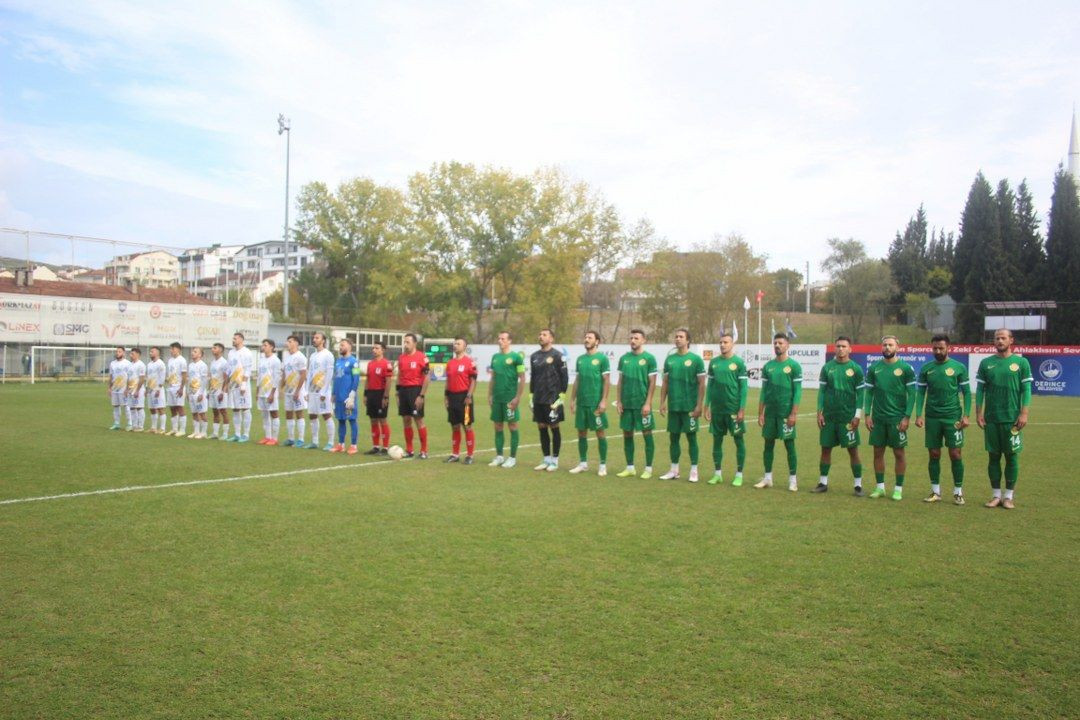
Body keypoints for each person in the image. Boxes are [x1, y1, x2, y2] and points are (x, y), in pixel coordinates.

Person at [976, 328, 1032, 510]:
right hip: (992, 418)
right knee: (993, 457)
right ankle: (995, 496)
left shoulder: (1021, 362)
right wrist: (979, 413)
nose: (999, 341)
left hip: (1012, 420)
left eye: (1003, 338)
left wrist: (1024, 413)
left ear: (1011, 340)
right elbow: (980, 391)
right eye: (997, 338)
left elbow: (1026, 390)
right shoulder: (986, 363)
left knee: (1011, 457)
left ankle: (1008, 497)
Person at [915, 334, 971, 504]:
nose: (937, 351)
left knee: (955, 453)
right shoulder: (926, 368)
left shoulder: (959, 367)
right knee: (934, 453)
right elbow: (920, 393)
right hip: (932, 417)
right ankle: (935, 491)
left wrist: (966, 415)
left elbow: (967, 392)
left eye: (941, 348)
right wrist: (918, 414)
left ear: (949, 348)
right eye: (935, 348)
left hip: (952, 417)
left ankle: (958, 492)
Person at [863, 335, 917, 500]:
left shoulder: (906, 368)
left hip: (897, 419)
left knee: (899, 453)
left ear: (897, 347)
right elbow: (869, 392)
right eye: (885, 345)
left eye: (890, 345)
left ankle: (898, 489)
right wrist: (867, 414)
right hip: (878, 418)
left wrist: (907, 417)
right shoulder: (874, 368)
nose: (887, 347)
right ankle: (880, 488)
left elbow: (912, 394)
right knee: (877, 452)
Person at [814, 336, 865, 495]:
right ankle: (823, 483)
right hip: (829, 416)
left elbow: (861, 394)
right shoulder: (827, 368)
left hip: (847, 418)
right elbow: (822, 392)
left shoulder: (856, 369)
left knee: (853, 450)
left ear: (850, 349)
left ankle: (858, 485)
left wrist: (857, 415)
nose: (840, 349)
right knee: (826, 449)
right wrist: (819, 412)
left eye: (843, 346)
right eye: (838, 346)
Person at [755, 333, 802, 491]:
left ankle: (793, 480)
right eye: (775, 343)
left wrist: (793, 413)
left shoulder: (794, 366)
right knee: (768, 444)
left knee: (789, 445)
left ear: (787, 346)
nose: (777, 345)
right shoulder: (768, 366)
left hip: (786, 413)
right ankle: (768, 478)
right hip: (770, 413)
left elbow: (797, 392)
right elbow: (764, 391)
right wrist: (761, 413)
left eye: (780, 343)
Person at [659, 328, 706, 482]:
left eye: (681, 337)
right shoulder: (670, 359)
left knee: (691, 438)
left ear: (688, 340)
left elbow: (701, 384)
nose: (677, 339)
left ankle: (694, 471)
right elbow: (665, 382)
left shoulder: (696, 360)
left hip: (690, 407)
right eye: (676, 336)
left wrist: (699, 405)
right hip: (674, 406)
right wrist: (662, 402)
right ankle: (674, 470)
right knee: (673, 438)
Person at [704, 332, 749, 486]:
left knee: (738, 440)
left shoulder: (739, 363)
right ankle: (717, 474)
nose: (722, 345)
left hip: (733, 410)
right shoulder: (714, 363)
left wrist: (741, 409)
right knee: (717, 441)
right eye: (721, 342)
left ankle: (739, 475)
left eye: (726, 342)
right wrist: (706, 406)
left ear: (732, 344)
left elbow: (743, 388)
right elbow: (710, 386)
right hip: (717, 409)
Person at [614, 329, 658, 479]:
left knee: (647, 434)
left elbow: (652, 383)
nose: (633, 340)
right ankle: (630, 467)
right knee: (627, 434)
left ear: (643, 340)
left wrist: (648, 403)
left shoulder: (649, 359)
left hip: (641, 405)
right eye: (631, 338)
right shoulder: (624, 358)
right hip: (627, 404)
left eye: (636, 338)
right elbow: (620, 381)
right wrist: (619, 401)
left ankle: (649, 468)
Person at [567, 331, 611, 476]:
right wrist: (572, 399)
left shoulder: (602, 359)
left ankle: (603, 464)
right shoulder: (580, 359)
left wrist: (603, 400)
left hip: (595, 403)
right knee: (581, 432)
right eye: (585, 337)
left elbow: (606, 380)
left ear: (597, 341)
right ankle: (583, 463)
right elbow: (577, 380)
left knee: (600, 433)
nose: (586, 339)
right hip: (582, 403)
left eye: (589, 338)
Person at [530, 328, 568, 471]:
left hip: (552, 399)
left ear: (551, 339)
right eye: (540, 334)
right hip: (538, 398)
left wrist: (561, 397)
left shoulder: (558, 356)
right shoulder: (534, 356)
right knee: (541, 427)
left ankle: (555, 460)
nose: (541, 336)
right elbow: (533, 377)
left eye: (544, 335)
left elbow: (565, 377)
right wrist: (530, 396)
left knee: (554, 427)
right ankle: (546, 459)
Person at [488, 330, 526, 468]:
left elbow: (522, 378)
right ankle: (499, 456)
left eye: (503, 339)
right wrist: (490, 395)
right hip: (497, 398)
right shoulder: (495, 357)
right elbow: (493, 377)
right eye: (499, 339)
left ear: (509, 341)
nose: (500, 341)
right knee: (497, 426)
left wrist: (517, 397)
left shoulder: (516, 357)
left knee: (512, 426)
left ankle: (512, 458)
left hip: (510, 398)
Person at [396, 333, 431, 459]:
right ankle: (409, 450)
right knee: (406, 420)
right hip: (403, 391)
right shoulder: (401, 358)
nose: (405, 345)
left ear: (415, 343)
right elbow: (399, 375)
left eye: (408, 342)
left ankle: (424, 451)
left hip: (415, 390)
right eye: (404, 342)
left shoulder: (422, 357)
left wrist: (421, 395)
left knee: (418, 419)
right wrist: (397, 393)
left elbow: (427, 377)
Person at [444, 337, 478, 464]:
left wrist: (469, 395)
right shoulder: (450, 363)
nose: (455, 345)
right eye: (455, 343)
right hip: (452, 397)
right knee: (455, 426)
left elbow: (473, 380)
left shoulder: (470, 362)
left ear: (464, 347)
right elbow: (448, 381)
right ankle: (455, 454)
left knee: (467, 426)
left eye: (458, 343)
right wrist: (446, 396)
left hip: (464, 397)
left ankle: (470, 455)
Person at [305, 331, 336, 450]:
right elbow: (310, 373)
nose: (314, 339)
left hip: (323, 391)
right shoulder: (312, 355)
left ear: (323, 341)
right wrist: (306, 390)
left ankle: (330, 442)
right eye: (314, 338)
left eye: (317, 338)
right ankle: (314, 441)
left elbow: (329, 374)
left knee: (326, 415)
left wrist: (324, 391)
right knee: (312, 415)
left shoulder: (328, 355)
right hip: (312, 390)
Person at [330, 338, 360, 454]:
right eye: (340, 345)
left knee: (352, 420)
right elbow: (336, 379)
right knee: (341, 420)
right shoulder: (338, 361)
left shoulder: (354, 361)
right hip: (338, 397)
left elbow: (356, 378)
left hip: (348, 398)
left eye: (342, 345)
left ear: (349, 347)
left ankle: (353, 445)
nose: (340, 347)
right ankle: (340, 445)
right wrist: (333, 394)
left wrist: (352, 394)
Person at [363, 341, 392, 454]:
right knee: (373, 419)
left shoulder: (386, 364)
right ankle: (375, 446)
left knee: (382, 419)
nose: (374, 350)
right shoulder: (370, 364)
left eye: (376, 348)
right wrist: (365, 394)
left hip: (381, 394)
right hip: (371, 394)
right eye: (373, 348)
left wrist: (385, 396)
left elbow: (389, 381)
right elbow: (368, 380)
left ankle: (385, 447)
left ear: (382, 350)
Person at [226, 332, 255, 442]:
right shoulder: (231, 352)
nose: (233, 340)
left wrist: (243, 384)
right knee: (235, 409)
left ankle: (246, 435)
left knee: (245, 408)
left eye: (235, 338)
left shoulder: (246, 352)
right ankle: (237, 434)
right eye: (233, 338)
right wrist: (227, 384)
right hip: (233, 385)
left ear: (241, 340)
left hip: (243, 386)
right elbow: (229, 369)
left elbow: (247, 369)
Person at [281, 335, 307, 447]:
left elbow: (303, 374)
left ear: (296, 343)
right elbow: (284, 374)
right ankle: (291, 439)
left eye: (290, 341)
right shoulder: (287, 357)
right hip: (288, 390)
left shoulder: (300, 357)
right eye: (287, 341)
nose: (288, 343)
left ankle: (300, 440)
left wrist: (298, 391)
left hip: (298, 391)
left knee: (299, 413)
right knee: (288, 413)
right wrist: (281, 388)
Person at [257, 339, 282, 446]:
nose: (263, 347)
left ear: (271, 347)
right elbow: (259, 376)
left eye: (265, 345)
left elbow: (277, 378)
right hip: (262, 391)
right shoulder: (262, 359)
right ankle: (267, 436)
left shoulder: (275, 360)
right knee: (264, 415)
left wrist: (272, 393)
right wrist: (257, 391)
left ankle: (275, 438)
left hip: (270, 392)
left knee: (274, 414)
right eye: (263, 345)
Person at [208, 342, 231, 440]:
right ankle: (215, 433)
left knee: (223, 411)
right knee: (215, 412)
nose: (213, 349)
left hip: (220, 391)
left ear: (220, 350)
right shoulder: (212, 362)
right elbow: (212, 377)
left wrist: (223, 391)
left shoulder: (224, 362)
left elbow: (227, 378)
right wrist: (209, 391)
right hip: (213, 390)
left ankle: (225, 434)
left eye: (215, 348)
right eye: (212, 348)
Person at [165, 342, 188, 437]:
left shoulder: (182, 360)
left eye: (173, 349)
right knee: (172, 408)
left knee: (180, 408)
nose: (171, 351)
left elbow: (184, 376)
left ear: (178, 349)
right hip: (171, 387)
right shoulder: (170, 360)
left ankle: (182, 430)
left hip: (178, 387)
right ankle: (174, 429)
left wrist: (181, 388)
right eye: (170, 349)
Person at [186, 347, 209, 438]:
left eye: (195, 352)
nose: (192, 353)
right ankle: (196, 431)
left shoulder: (203, 365)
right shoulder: (190, 365)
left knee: (202, 412)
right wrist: (188, 391)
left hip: (199, 392)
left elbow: (204, 380)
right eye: (192, 351)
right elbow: (189, 379)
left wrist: (201, 393)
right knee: (194, 412)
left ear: (200, 355)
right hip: (191, 392)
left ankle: (203, 432)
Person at [145, 346, 167, 434]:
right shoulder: (149, 364)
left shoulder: (160, 363)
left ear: (158, 353)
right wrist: (147, 388)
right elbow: (148, 377)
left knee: (160, 408)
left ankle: (162, 428)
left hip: (158, 389)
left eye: (152, 351)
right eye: (150, 351)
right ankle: (153, 427)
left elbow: (162, 377)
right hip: (150, 389)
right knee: (152, 408)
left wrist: (159, 388)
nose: (150, 353)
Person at [107, 346, 130, 430]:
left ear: (123, 353)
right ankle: (117, 423)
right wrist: (109, 388)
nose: (117, 353)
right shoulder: (112, 363)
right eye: (117, 351)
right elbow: (111, 376)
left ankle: (129, 424)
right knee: (116, 406)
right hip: (115, 389)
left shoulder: (127, 363)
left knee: (126, 406)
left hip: (123, 389)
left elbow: (130, 377)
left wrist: (128, 388)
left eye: (119, 351)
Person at [125, 347, 146, 432]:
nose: (131, 355)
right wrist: (126, 389)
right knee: (132, 408)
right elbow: (128, 378)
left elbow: (142, 378)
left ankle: (140, 426)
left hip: (138, 390)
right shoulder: (130, 365)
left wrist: (137, 390)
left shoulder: (141, 365)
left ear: (138, 354)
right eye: (130, 354)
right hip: (130, 390)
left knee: (139, 407)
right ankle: (134, 426)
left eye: (132, 354)